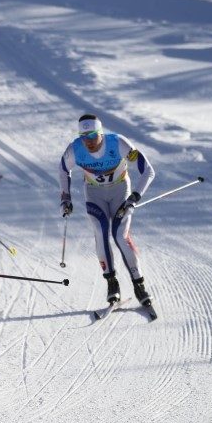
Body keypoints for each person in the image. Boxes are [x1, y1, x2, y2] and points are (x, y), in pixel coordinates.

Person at [59, 114, 156, 307]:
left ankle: (139, 285)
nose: (89, 142)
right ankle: (112, 282)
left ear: (101, 133)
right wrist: (66, 197)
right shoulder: (75, 149)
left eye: (93, 136)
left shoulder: (118, 143)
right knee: (100, 231)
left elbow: (148, 170)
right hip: (94, 194)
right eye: (84, 137)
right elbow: (63, 169)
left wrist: (135, 196)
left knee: (120, 235)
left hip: (121, 192)